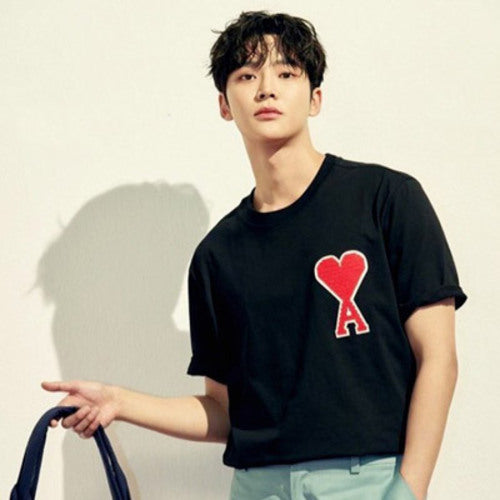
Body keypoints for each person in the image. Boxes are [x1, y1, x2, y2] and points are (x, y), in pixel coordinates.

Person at [42, 11, 467, 500]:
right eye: (247, 76)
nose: (267, 89)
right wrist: (120, 401)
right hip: (257, 486)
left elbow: (438, 358)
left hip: (367, 480)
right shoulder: (217, 256)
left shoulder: (385, 199)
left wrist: (409, 490)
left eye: (286, 73)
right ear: (225, 105)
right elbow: (225, 412)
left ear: (315, 98)